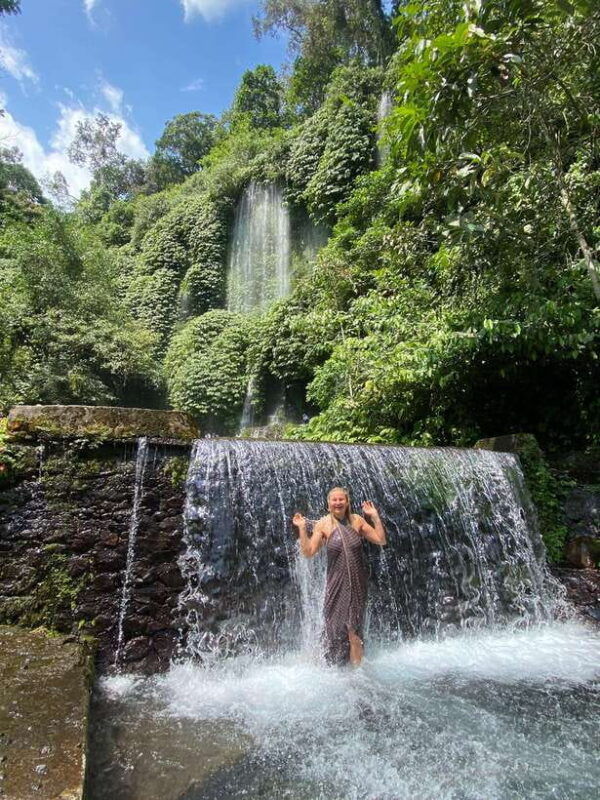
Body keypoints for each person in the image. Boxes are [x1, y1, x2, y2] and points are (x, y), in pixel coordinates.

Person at [292, 487, 386, 666]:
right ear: (328, 504)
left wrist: (374, 516)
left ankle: (357, 675)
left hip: (357, 584)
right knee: (333, 628)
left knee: (354, 631)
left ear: (347, 501)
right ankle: (332, 666)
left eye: (341, 499)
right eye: (334, 500)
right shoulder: (323, 524)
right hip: (336, 584)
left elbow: (381, 540)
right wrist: (303, 529)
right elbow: (309, 552)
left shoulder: (357, 520)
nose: (338, 503)